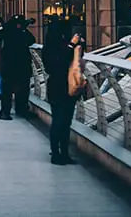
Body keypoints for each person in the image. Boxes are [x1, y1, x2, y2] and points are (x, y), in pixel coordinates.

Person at [42, 22, 86, 165]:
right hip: (57, 88)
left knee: (66, 122)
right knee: (58, 122)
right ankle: (56, 154)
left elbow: (74, 60)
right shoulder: (49, 49)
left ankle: (65, 153)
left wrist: (79, 46)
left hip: (67, 88)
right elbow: (58, 63)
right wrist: (71, 46)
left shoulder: (61, 45)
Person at [0, 15, 36, 120]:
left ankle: (5, 112)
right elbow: (31, 40)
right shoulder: (20, 33)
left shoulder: (6, 31)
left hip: (8, 66)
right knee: (22, 89)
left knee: (7, 90)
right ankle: (21, 110)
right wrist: (24, 29)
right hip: (21, 65)